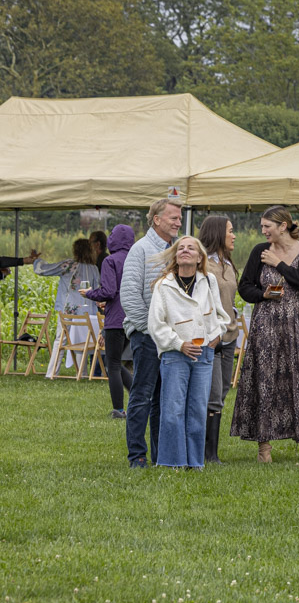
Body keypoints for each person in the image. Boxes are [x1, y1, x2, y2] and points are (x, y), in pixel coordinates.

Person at [231, 206, 299, 464]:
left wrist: (279, 265)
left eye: (267, 226)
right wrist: (262, 295)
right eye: (262, 227)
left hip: (297, 328)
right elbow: (244, 287)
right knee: (265, 382)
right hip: (266, 328)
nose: (263, 231)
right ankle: (264, 447)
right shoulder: (259, 252)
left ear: (283, 226)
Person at [148, 236, 229, 469]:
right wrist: (177, 343)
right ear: (175, 256)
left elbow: (222, 315)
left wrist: (217, 334)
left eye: (190, 248)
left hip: (204, 354)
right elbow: (156, 324)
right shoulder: (165, 285)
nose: (185, 251)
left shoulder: (209, 281)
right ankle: (171, 462)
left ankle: (195, 462)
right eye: (180, 248)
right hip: (175, 355)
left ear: (199, 256)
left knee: (197, 409)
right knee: (172, 410)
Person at [119, 198, 183, 467]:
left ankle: (160, 456)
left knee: (162, 399)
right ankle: (137, 456)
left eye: (179, 218)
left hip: (169, 339)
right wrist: (152, 330)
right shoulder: (141, 250)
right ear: (156, 219)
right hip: (146, 337)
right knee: (142, 396)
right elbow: (130, 295)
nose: (178, 222)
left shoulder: (177, 251)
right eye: (173, 218)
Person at [196, 215, 239, 464]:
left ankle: (210, 450)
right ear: (217, 234)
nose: (234, 236)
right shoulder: (204, 266)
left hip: (230, 335)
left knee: (222, 391)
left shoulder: (227, 263)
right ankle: (207, 453)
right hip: (212, 339)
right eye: (230, 231)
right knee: (212, 393)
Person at [81, 224, 135, 418]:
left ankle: (119, 410)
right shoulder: (137, 259)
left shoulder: (110, 261)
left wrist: (90, 294)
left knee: (111, 363)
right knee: (117, 361)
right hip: (135, 318)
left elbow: (109, 291)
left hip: (116, 319)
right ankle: (138, 395)